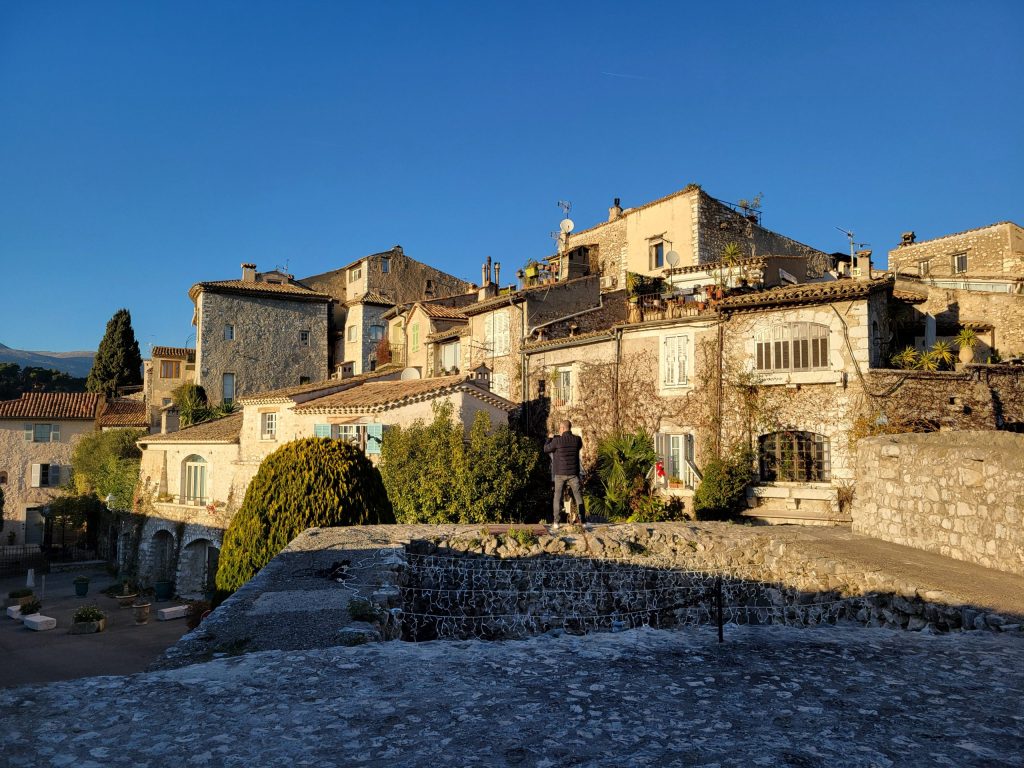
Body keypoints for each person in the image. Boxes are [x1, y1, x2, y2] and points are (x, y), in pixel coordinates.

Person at [544, 420, 585, 529]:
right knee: (578, 496)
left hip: (560, 474)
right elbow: (578, 447)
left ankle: (556, 522)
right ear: (570, 428)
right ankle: (583, 520)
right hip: (573, 474)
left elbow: (546, 449)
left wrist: (550, 438)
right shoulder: (577, 440)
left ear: (562, 428)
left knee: (557, 497)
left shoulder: (557, 441)